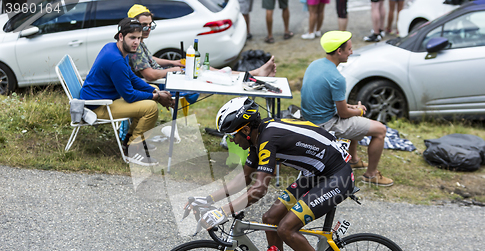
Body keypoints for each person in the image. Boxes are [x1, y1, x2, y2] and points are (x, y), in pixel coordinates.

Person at [195, 96, 353, 251]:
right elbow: (243, 178)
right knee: (270, 219)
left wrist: (222, 211)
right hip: (314, 174)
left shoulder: (269, 138)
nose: (230, 141)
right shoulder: (257, 138)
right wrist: (208, 200)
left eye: (232, 135)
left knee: (286, 227)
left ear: (245, 130)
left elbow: (259, 189)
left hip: (337, 176)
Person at [300, 31, 393, 186]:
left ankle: (353, 160)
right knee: (380, 130)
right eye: (349, 49)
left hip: (310, 118)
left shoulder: (315, 64)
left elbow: (328, 100)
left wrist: (352, 108)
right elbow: (343, 113)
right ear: (339, 51)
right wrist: (359, 111)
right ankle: (371, 175)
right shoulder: (337, 78)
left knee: (355, 118)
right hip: (325, 125)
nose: (351, 52)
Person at [80, 18, 175, 167]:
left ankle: (130, 141)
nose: (136, 42)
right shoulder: (115, 60)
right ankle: (133, 150)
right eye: (132, 38)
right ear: (120, 36)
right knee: (150, 108)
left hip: (104, 99)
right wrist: (157, 97)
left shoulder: (113, 48)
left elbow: (131, 77)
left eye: (138, 38)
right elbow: (129, 95)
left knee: (152, 92)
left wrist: (154, 91)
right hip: (96, 106)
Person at [127, 4, 277, 80]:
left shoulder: (139, 41)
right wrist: (175, 70)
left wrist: (176, 62)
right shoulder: (135, 44)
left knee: (205, 68)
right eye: (143, 25)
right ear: (134, 25)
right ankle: (251, 75)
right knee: (209, 72)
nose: (148, 29)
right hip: (160, 83)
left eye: (150, 25)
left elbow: (149, 59)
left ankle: (252, 74)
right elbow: (150, 75)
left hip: (167, 75)